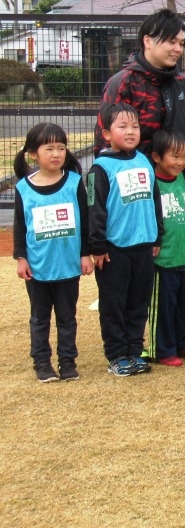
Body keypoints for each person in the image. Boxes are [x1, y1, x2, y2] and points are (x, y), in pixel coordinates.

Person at [13, 123, 92, 383]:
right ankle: (42, 363)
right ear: (33, 153)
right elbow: (20, 226)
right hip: (38, 267)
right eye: (49, 148)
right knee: (40, 318)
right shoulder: (24, 188)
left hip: (68, 265)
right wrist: (21, 257)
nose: (56, 153)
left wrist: (85, 254)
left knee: (67, 317)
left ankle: (68, 361)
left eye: (61, 147)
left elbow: (84, 222)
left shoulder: (74, 182)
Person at [88, 102, 162, 377]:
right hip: (114, 249)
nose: (130, 131)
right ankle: (117, 355)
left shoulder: (143, 160)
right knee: (114, 304)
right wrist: (97, 245)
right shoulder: (100, 168)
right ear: (106, 133)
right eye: (122, 126)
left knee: (138, 302)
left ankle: (134, 350)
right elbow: (94, 210)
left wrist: (157, 236)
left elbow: (155, 200)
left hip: (143, 246)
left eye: (135, 126)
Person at [93, 9, 185, 159]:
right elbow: (105, 140)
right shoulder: (124, 83)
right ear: (147, 41)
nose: (178, 49)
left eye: (181, 43)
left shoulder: (183, 83)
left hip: (176, 177)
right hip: (134, 176)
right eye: (171, 42)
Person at [146, 130, 185, 367]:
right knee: (164, 308)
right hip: (165, 259)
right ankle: (163, 349)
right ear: (157, 157)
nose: (180, 162)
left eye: (184, 157)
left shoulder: (180, 178)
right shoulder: (151, 183)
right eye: (174, 156)